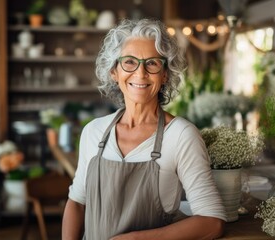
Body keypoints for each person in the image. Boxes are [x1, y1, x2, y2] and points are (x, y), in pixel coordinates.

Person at [62, 18, 226, 240]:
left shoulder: (181, 136)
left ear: (165, 74)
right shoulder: (94, 132)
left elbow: (212, 222)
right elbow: (77, 203)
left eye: (152, 63)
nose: (140, 73)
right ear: (114, 71)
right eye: (129, 62)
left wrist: (136, 238)